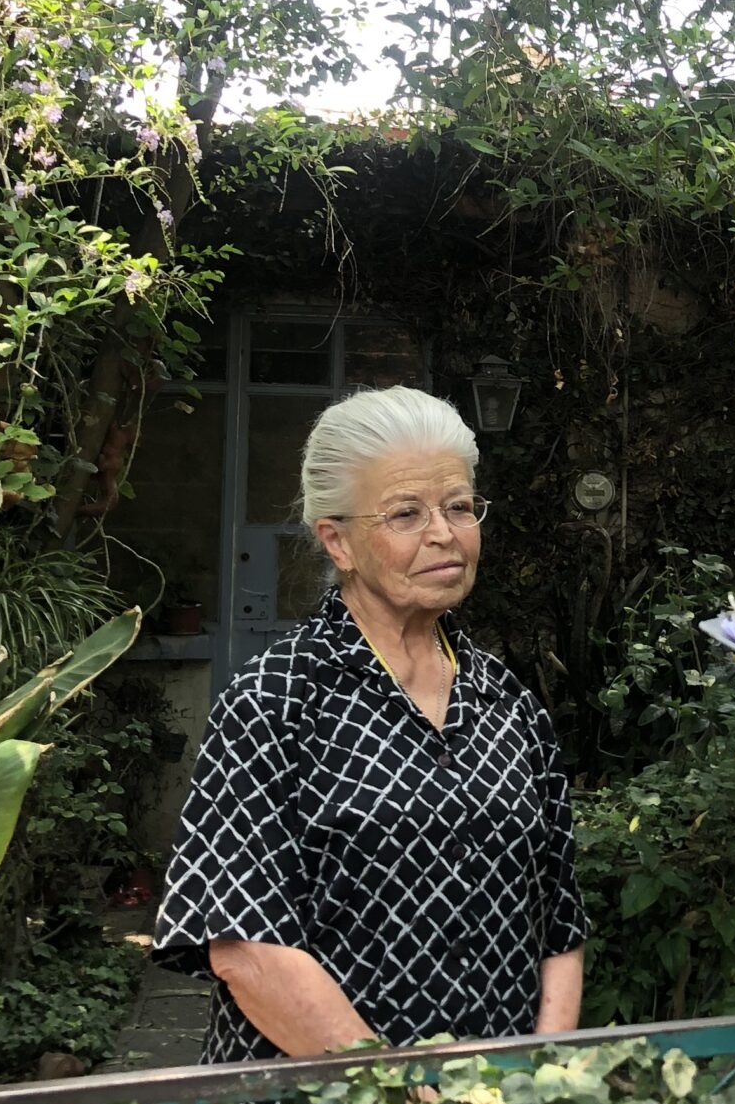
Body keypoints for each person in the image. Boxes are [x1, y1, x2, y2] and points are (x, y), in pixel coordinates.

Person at [155, 385, 586, 1065]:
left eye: (460, 507)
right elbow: (246, 947)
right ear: (338, 540)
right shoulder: (275, 700)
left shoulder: (509, 704)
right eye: (406, 514)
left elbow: (559, 924)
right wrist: (403, 1098)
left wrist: (542, 1079)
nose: (443, 533)